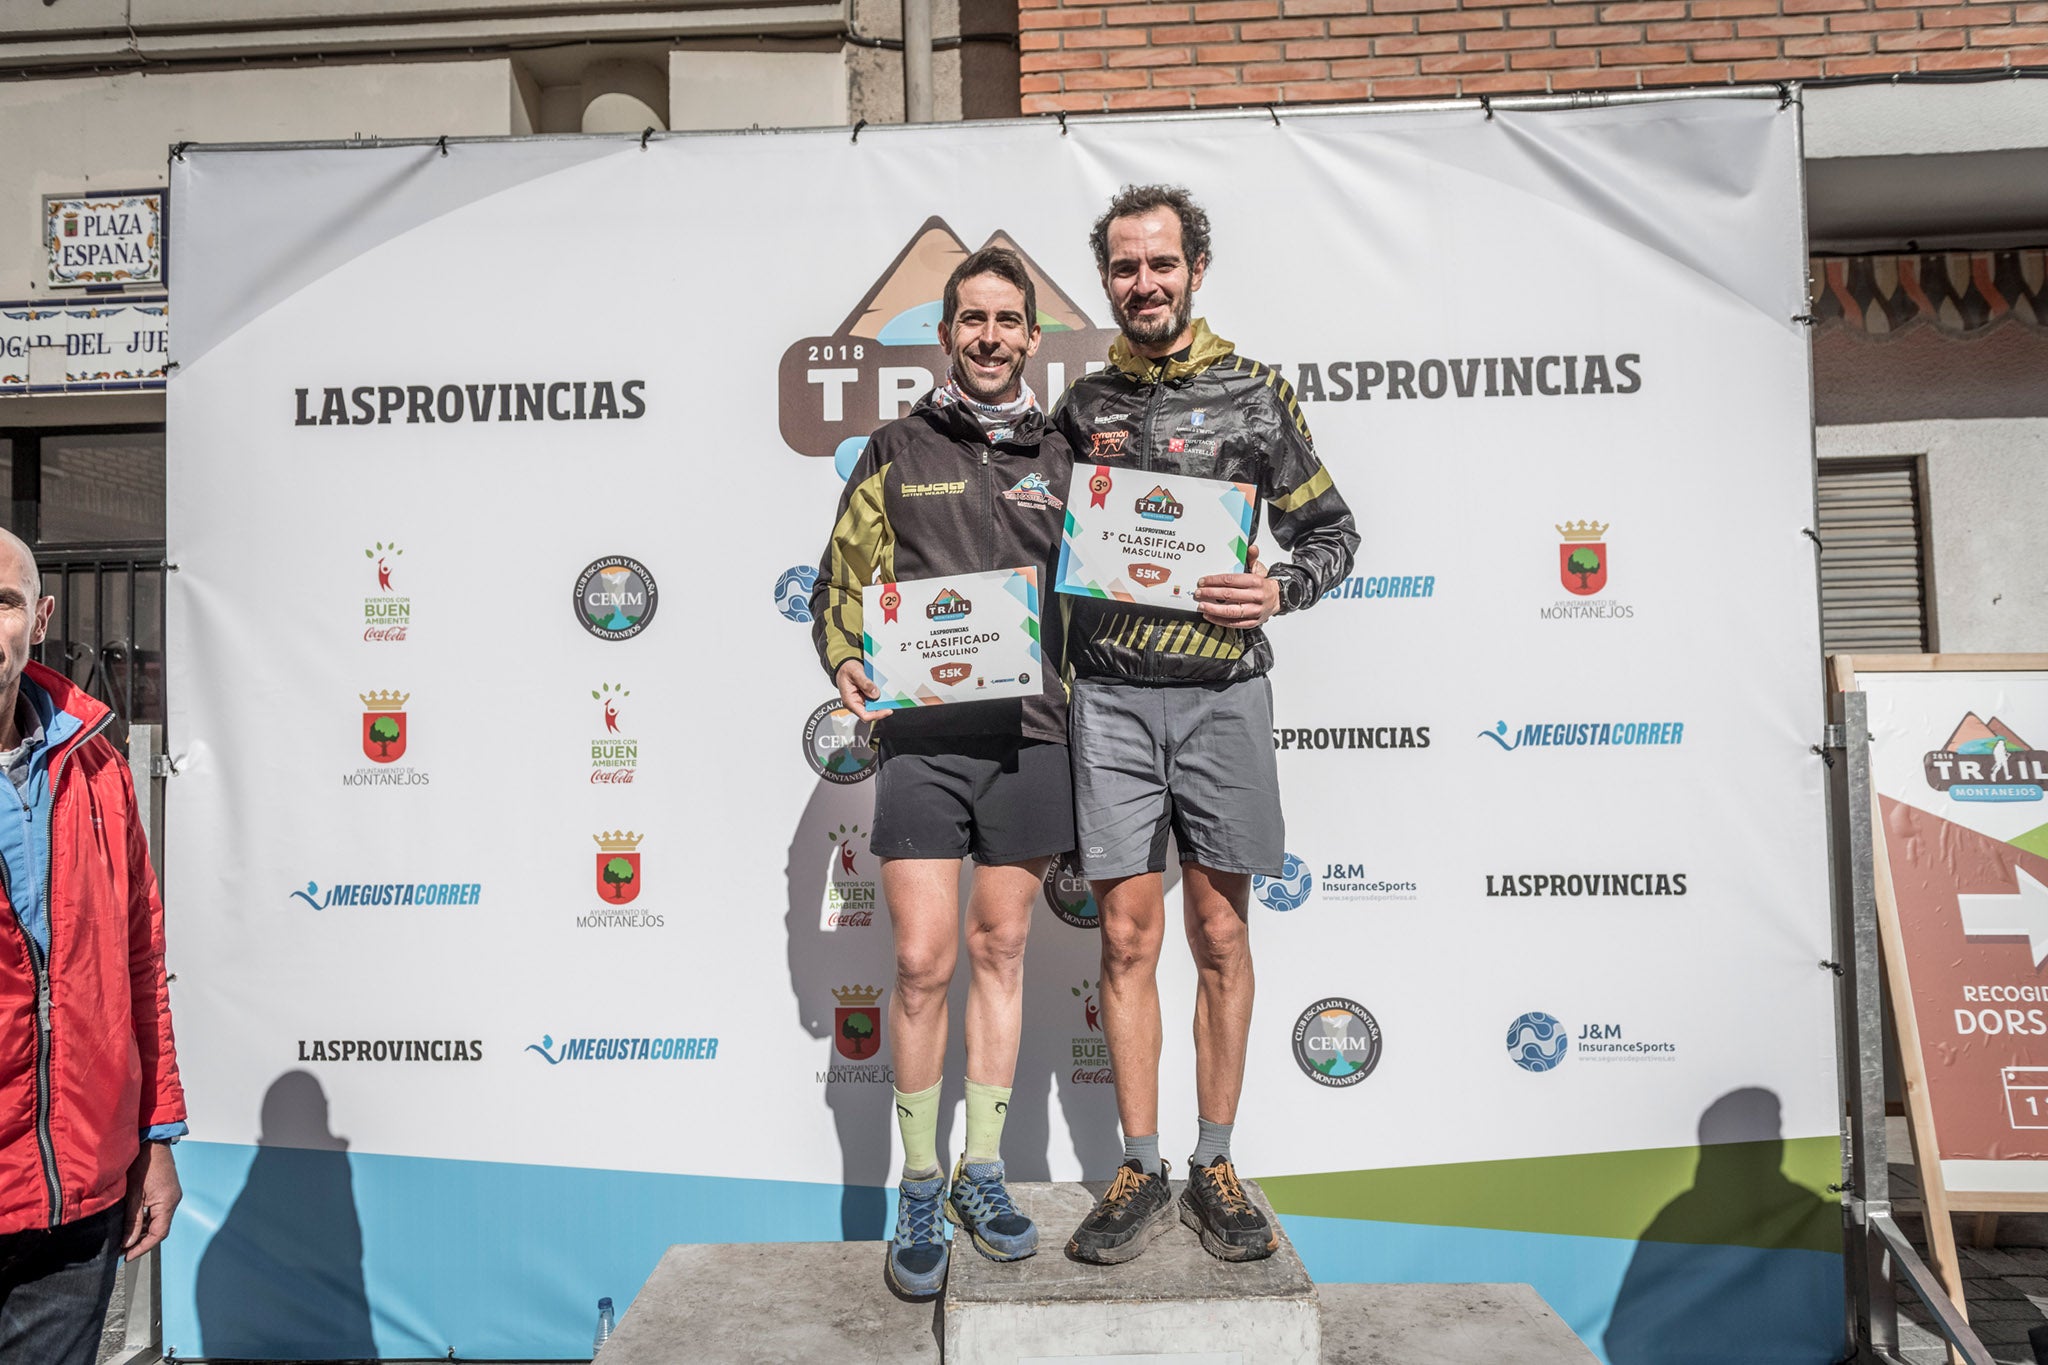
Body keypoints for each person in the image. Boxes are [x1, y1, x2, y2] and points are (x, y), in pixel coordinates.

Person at [1057, 186, 1358, 1265]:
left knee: (1220, 934)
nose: (1144, 282)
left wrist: (1280, 588)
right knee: (1128, 940)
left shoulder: (1255, 394)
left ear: (1194, 271)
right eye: (1125, 267)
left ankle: (1214, 1161)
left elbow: (1330, 529)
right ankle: (1138, 1162)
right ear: (1107, 281)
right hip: (1110, 701)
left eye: (1161, 264)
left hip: (1223, 696)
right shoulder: (1080, 403)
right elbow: (1043, 550)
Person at [810, 246, 1076, 1297]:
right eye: (972, 319)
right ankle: (917, 1182)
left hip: (1032, 738)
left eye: (1008, 321)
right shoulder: (895, 446)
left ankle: (981, 1171)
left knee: (1000, 951)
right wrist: (843, 660)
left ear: (1030, 338)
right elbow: (842, 580)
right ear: (946, 331)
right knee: (922, 964)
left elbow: (1099, 589)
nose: (990, 337)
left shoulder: (1065, 453)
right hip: (922, 742)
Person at [0, 527, 187, 1362]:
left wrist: (157, 1138)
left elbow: (140, 965)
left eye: (0, 602)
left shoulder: (99, 767)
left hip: (78, 1202)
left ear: (39, 619)